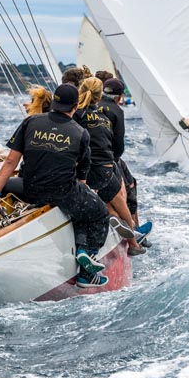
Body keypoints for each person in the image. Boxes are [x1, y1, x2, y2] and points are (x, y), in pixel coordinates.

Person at [0, 84, 120, 288]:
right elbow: (82, 178)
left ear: (54, 102)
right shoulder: (80, 133)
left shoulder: (30, 122)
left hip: (29, 189)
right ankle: (86, 266)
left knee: (3, 184)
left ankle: (81, 252)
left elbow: (10, 162)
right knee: (96, 212)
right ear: (75, 106)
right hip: (63, 192)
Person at [75, 77, 146, 256]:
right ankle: (133, 243)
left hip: (83, 169)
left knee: (105, 203)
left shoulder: (75, 113)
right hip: (105, 166)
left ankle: (113, 217)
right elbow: (118, 146)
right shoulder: (105, 116)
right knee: (121, 200)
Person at [98, 78, 149, 242]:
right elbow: (118, 143)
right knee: (129, 186)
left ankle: (118, 219)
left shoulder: (92, 106)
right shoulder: (116, 111)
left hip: (89, 158)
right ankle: (134, 230)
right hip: (109, 158)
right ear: (120, 96)